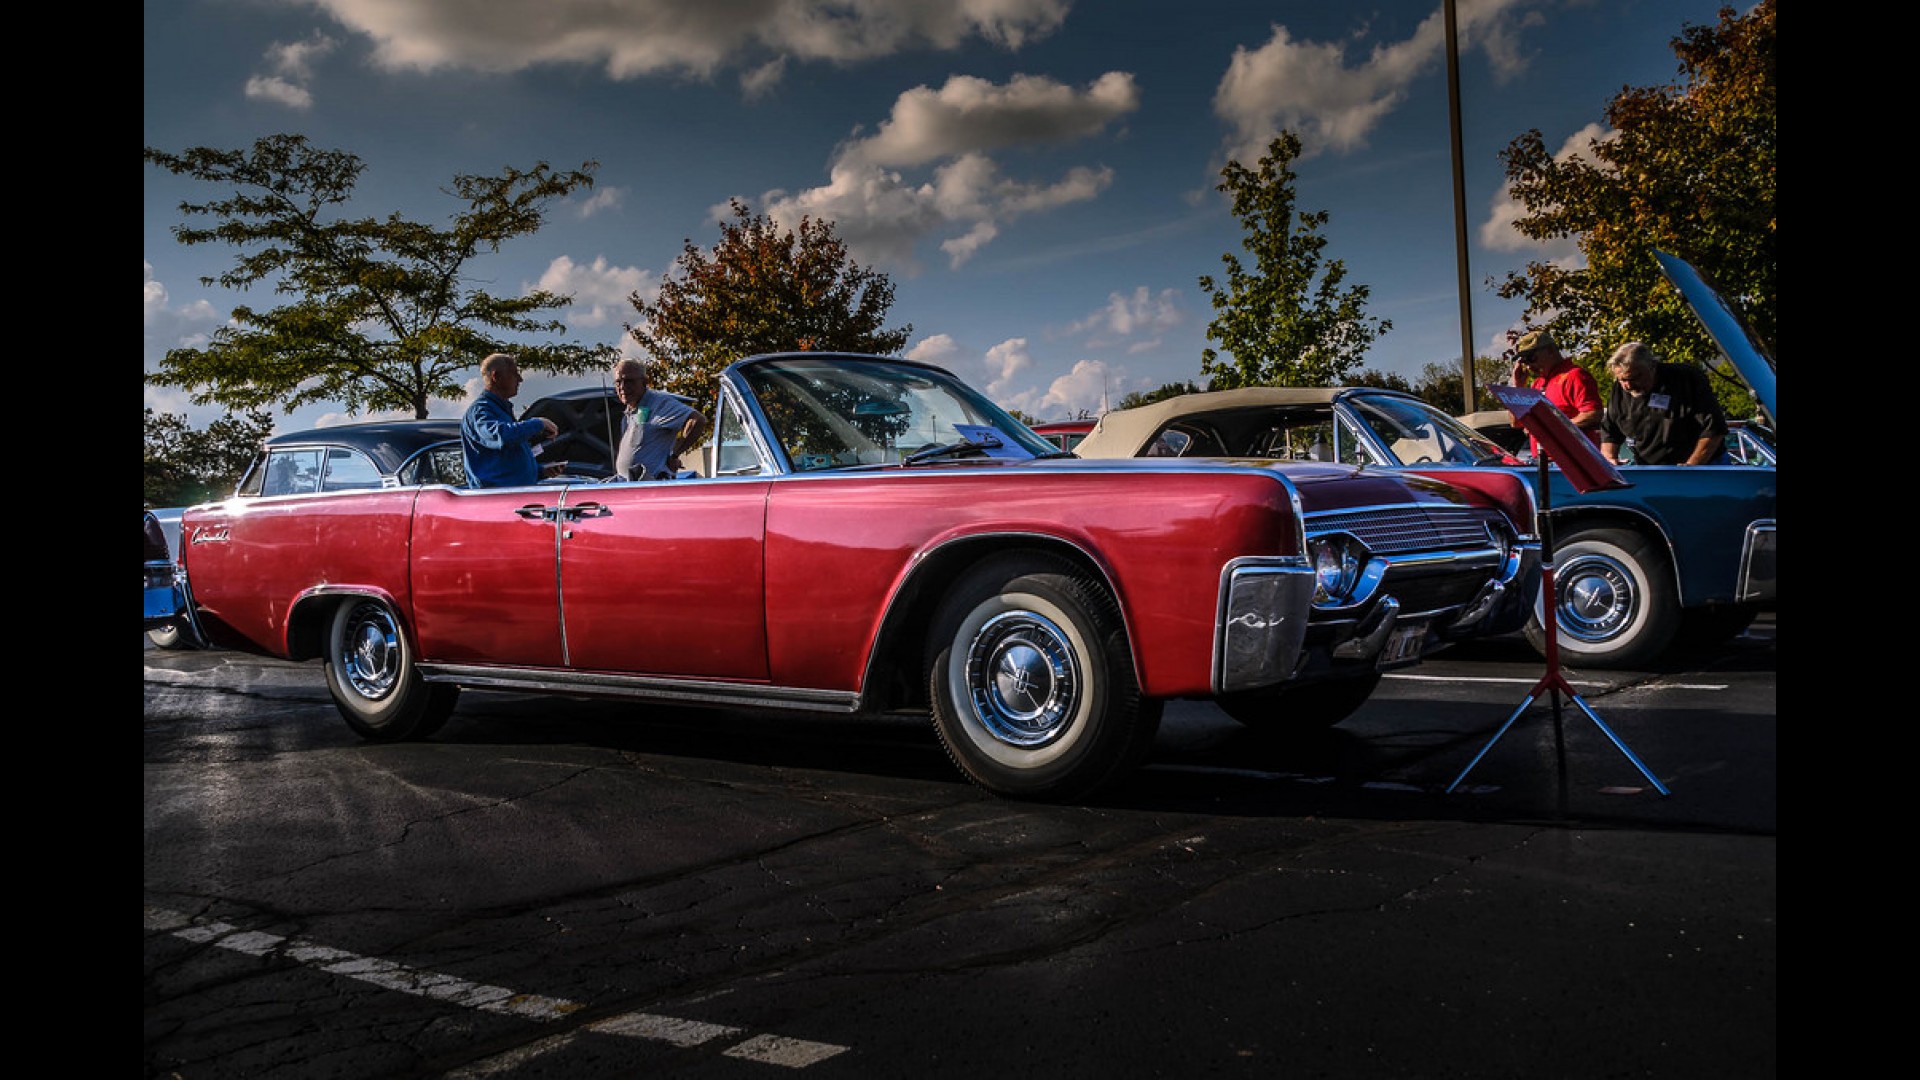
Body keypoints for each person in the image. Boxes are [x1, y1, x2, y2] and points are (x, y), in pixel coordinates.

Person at [1599, 341, 1730, 466]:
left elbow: (1714, 428)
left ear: (1652, 366)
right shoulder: (1620, 389)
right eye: (1622, 380)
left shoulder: (1686, 379)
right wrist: (1610, 459)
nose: (1628, 386)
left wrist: (1692, 466)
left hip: (1704, 464)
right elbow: (1610, 431)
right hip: (1650, 468)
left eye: (1635, 378)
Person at [461, 352, 560, 488]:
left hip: (514, 495)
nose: (520, 379)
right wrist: (538, 423)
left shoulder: (500, 410)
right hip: (495, 498)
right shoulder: (480, 411)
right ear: (496, 376)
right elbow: (501, 435)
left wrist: (540, 472)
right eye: (514, 373)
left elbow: (506, 459)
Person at [1509, 328, 1604, 458]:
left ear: (1551, 351)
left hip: (1574, 461)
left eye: (1532, 358)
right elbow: (1516, 423)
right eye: (1524, 361)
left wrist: (1553, 429)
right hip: (1544, 462)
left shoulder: (1574, 376)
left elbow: (1593, 414)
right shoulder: (1537, 384)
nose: (1530, 366)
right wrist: (1518, 388)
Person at [612, 358, 708, 480]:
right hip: (631, 489)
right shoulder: (630, 413)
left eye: (629, 381)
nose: (623, 387)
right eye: (618, 382)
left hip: (653, 487)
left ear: (645, 382)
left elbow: (698, 420)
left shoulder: (659, 404)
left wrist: (675, 454)